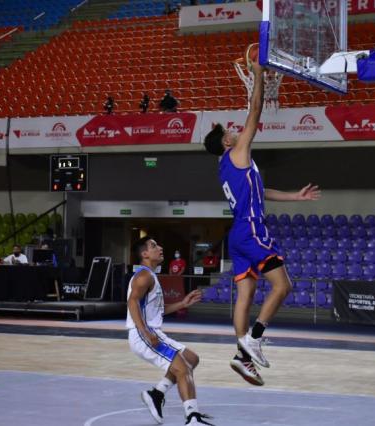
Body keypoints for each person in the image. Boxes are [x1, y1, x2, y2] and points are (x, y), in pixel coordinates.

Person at [203, 54, 321, 386]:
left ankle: (243, 359)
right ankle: (254, 338)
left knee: (245, 296)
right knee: (283, 286)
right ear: (227, 142)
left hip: (238, 234)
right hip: (252, 229)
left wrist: (294, 197)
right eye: (230, 132)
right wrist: (257, 76)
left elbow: (260, 190)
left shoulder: (228, 167)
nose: (235, 131)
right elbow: (254, 112)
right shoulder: (237, 152)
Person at [127, 236, 213, 425]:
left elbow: (158, 310)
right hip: (144, 334)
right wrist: (146, 333)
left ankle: (156, 394)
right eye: (154, 245)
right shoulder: (144, 276)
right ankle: (193, 418)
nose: (160, 247)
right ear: (144, 254)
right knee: (182, 369)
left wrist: (182, 303)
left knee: (191, 359)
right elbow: (132, 302)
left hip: (151, 331)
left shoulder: (151, 275)